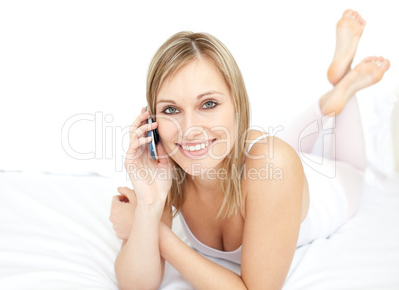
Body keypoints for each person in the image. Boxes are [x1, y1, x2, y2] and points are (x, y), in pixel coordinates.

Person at [110, 9, 390, 289]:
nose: (189, 129)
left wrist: (155, 233)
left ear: (237, 104)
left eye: (208, 104)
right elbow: (137, 286)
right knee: (278, 153)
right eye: (171, 109)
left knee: (323, 164)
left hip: (324, 185)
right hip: (270, 168)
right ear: (152, 121)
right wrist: (148, 206)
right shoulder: (169, 166)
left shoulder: (273, 166)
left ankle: (344, 85)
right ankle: (335, 92)